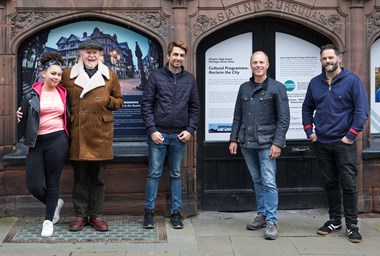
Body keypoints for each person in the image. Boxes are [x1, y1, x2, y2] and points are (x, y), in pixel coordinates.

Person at [302, 44, 369, 243]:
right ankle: (334, 220)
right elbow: (307, 108)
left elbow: (362, 111)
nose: (328, 61)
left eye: (331, 58)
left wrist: (351, 136)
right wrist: (309, 131)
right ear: (321, 61)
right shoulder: (315, 83)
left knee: (348, 184)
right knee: (330, 183)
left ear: (339, 58)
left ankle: (352, 225)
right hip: (322, 142)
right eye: (324, 59)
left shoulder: (352, 81)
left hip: (344, 143)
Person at [61, 40, 123, 232]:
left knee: (98, 178)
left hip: (101, 134)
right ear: (80, 54)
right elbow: (57, 97)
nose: (91, 56)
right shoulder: (68, 75)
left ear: (100, 55)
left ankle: (96, 215)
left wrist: (107, 99)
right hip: (79, 132)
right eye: (88, 52)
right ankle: (80, 215)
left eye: (95, 53)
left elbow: (119, 101)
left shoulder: (110, 75)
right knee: (80, 178)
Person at [229, 51, 290, 240]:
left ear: (267, 64)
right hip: (247, 143)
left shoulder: (277, 88)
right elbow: (237, 116)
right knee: (257, 180)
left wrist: (277, 143)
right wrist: (233, 139)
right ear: (250, 65)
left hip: (267, 143)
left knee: (269, 182)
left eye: (261, 62)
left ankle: (272, 221)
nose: (258, 65)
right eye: (255, 62)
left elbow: (284, 118)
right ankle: (262, 214)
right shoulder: (244, 88)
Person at [140, 40, 200, 229]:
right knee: (154, 174)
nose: (178, 58)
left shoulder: (189, 79)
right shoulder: (156, 77)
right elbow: (146, 105)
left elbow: (195, 108)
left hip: (179, 136)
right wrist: (152, 130)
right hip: (159, 135)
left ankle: (176, 213)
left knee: (176, 174)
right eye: (175, 54)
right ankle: (148, 214)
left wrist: (190, 130)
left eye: (181, 55)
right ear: (168, 56)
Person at [17, 53, 69, 237]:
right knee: (34, 185)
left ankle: (48, 221)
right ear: (43, 73)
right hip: (37, 142)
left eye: (59, 75)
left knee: (53, 181)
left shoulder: (63, 93)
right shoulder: (31, 94)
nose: (56, 77)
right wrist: (19, 116)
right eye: (53, 73)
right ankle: (54, 203)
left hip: (58, 140)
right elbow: (23, 120)